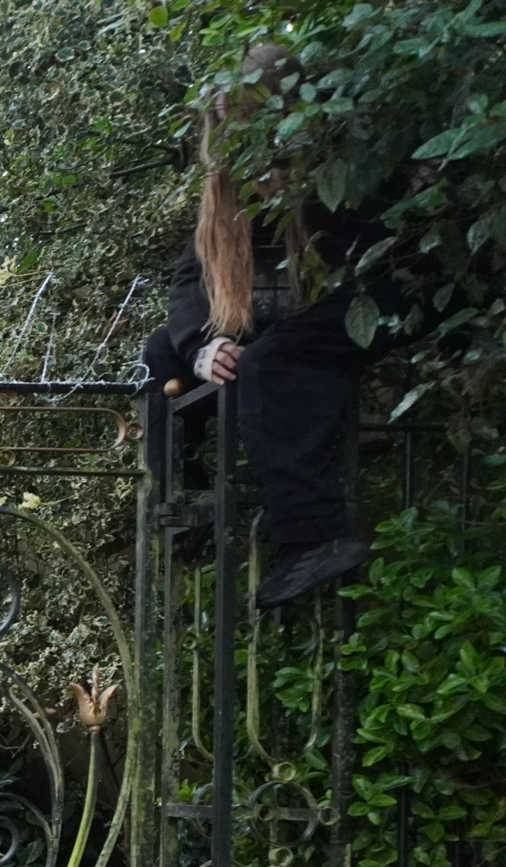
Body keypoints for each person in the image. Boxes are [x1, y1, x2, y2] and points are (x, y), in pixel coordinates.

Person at [143, 46, 382, 611]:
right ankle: (185, 501)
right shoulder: (226, 190)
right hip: (265, 323)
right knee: (161, 353)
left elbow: (369, 266)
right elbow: (189, 279)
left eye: (241, 114)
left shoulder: (334, 165)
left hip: (336, 311)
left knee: (271, 362)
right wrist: (204, 346)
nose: (230, 131)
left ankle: (315, 536)